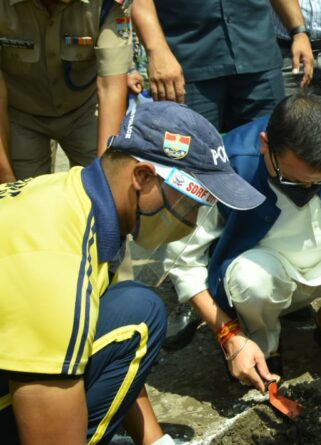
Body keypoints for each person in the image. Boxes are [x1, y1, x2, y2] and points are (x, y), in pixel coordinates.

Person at [0, 101, 265, 444]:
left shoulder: (76, 198)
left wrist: (156, 441)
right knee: (140, 315)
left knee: (132, 306)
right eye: (186, 203)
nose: (189, 223)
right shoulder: (57, 262)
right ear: (142, 177)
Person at [165, 94, 321, 388]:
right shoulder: (225, 161)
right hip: (267, 271)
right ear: (265, 145)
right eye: (292, 180)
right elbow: (183, 262)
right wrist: (228, 335)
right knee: (250, 281)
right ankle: (261, 342)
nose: (307, 190)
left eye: (320, 182)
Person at [0, 0, 133, 182]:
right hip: (20, 114)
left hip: (85, 109)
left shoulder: (107, 4)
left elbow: (111, 88)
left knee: (103, 184)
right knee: (23, 195)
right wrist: (6, 179)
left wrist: (105, 183)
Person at [148, 0, 313, 132]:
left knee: (267, 151)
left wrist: (298, 32)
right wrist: (156, 50)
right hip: (188, 61)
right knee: (191, 158)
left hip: (257, 56)